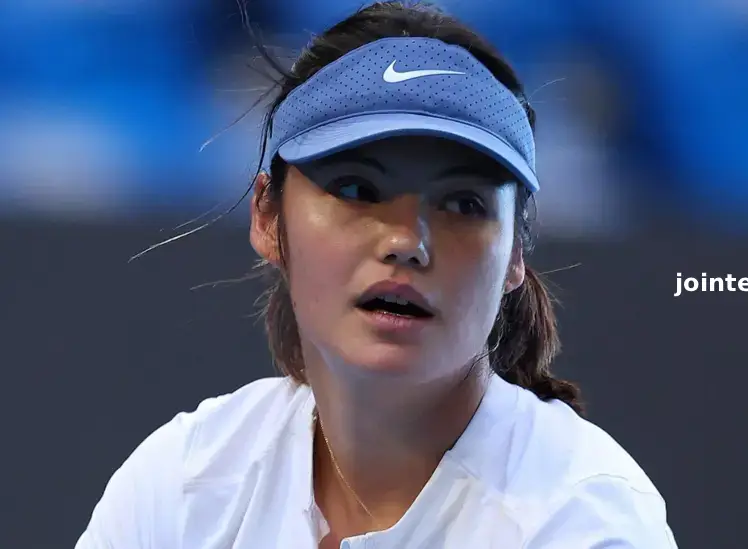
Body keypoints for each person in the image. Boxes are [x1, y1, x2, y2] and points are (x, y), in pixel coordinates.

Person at [75, 2, 679, 548]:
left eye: (463, 204)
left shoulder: (583, 522)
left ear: (516, 252)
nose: (406, 243)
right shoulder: (178, 487)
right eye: (358, 190)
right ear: (268, 216)